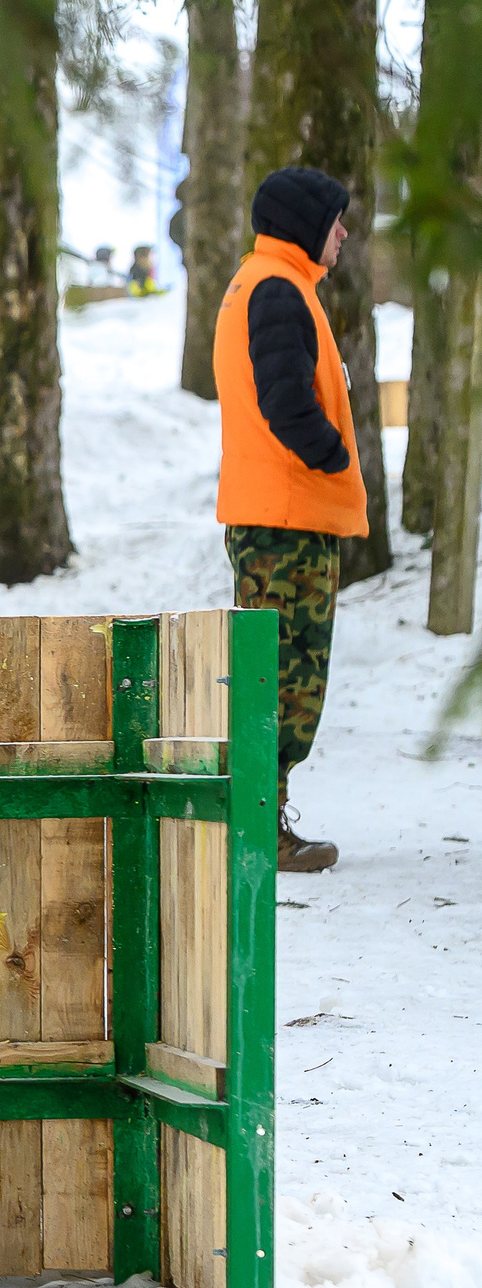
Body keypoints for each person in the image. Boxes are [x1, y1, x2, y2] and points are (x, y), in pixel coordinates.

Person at [212, 165, 364, 873]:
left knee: (275, 671)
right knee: (283, 678)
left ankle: (255, 817)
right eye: (335, 220)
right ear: (305, 223)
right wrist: (332, 456)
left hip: (281, 518)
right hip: (285, 524)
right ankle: (258, 827)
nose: (343, 233)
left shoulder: (271, 283)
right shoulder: (276, 289)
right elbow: (286, 401)